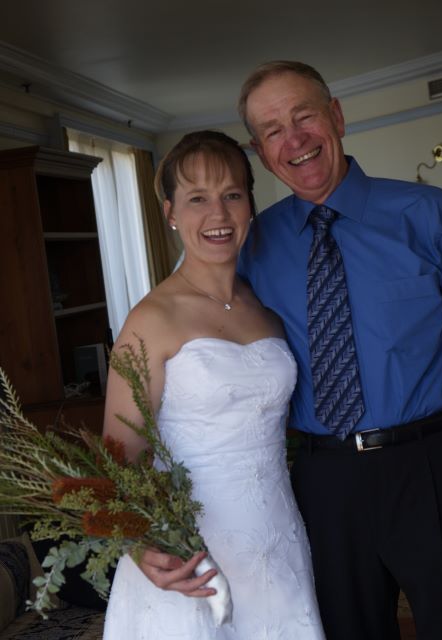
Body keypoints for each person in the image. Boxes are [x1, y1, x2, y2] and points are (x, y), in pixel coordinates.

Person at [235, 61, 442, 640]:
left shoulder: (429, 214)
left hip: (434, 464)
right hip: (323, 481)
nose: (294, 139)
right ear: (260, 152)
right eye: (272, 130)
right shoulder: (250, 246)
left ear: (337, 116)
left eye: (304, 116)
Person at [101, 130, 326, 639]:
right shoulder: (150, 319)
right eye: (197, 199)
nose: (218, 214)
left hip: (277, 538)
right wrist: (141, 544)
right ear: (170, 212)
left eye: (232, 195)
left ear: (250, 206)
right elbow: (117, 462)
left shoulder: (267, 305)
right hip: (191, 556)